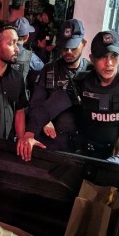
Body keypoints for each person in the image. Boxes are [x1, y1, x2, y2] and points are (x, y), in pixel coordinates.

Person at [17, 30, 119, 166]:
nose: (109, 63)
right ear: (92, 59)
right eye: (102, 56)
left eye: (114, 56)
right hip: (88, 156)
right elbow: (48, 108)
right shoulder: (80, 83)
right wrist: (29, 133)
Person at [22, 18, 90, 157]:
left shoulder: (92, 72)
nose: (68, 52)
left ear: (83, 44)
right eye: (64, 48)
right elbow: (36, 103)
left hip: (83, 145)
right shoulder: (49, 70)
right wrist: (44, 121)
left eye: (73, 47)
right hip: (52, 142)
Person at [11, 16, 44, 97]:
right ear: (27, 37)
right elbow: (42, 68)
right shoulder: (30, 56)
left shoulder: (3, 50)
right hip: (20, 97)